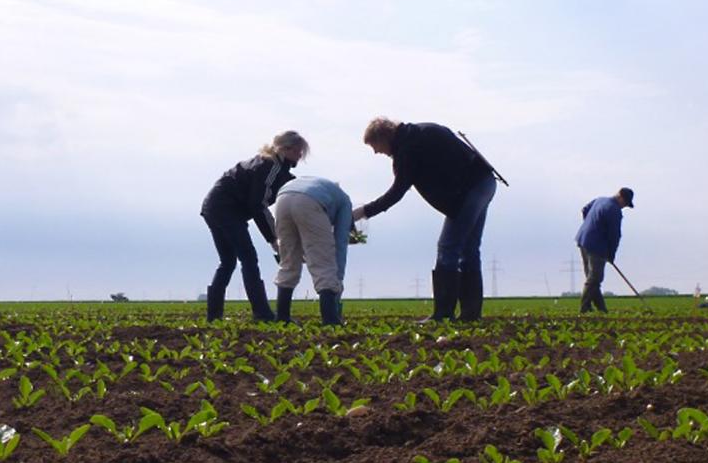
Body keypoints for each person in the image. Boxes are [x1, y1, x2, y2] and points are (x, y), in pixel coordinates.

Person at [352, 118, 497, 321]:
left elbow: (397, 192)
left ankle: (443, 314)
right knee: (469, 249)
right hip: (484, 181)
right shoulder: (422, 130)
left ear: (385, 137)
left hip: (470, 189)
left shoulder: (408, 149)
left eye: (375, 146)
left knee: (448, 247)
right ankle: (470, 314)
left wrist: (362, 212)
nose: (377, 152)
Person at [200, 131, 309, 321]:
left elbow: (282, 189)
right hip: (226, 209)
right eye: (299, 151)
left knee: (228, 262)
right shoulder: (270, 166)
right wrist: (273, 239)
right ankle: (262, 313)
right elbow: (258, 205)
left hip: (213, 207)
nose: (301, 155)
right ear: (285, 149)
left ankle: (214, 317)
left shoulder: (274, 168)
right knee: (249, 259)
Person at [272, 175, 353, 326]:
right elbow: (340, 243)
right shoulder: (345, 203)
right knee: (324, 264)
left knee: (288, 261)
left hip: (282, 199)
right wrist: (338, 280)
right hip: (310, 201)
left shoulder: (328, 191)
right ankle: (330, 320)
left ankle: (282, 317)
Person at [574, 187, 634, 313]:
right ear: (620, 197)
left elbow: (585, 210)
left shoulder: (600, 200)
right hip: (596, 246)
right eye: (625, 203)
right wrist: (611, 255)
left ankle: (601, 309)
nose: (624, 206)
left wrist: (590, 226)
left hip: (583, 240)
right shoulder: (614, 211)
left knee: (592, 278)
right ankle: (584, 309)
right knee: (595, 278)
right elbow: (614, 236)